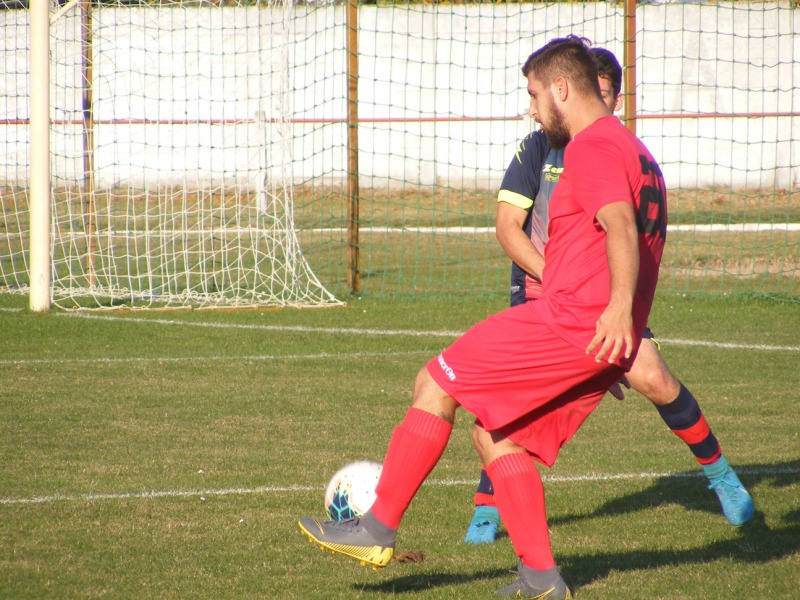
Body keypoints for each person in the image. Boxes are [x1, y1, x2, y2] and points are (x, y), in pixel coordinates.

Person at [300, 35, 667, 599]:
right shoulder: (635, 151)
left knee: (435, 380)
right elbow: (621, 242)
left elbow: (619, 225)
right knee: (498, 436)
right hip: (594, 336)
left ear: (562, 89)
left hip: (572, 323)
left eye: (534, 93)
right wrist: (614, 344)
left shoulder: (590, 148)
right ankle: (543, 579)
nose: (531, 107)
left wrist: (614, 314)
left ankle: (377, 526)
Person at [463, 47, 754, 545]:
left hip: (603, 303)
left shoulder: (610, 149)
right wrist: (556, 281)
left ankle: (723, 478)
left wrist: (619, 308)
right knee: (507, 404)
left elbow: (626, 232)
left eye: (605, 91)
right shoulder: (539, 148)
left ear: (613, 98)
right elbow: (509, 228)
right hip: (546, 297)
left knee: (654, 377)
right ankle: (487, 509)